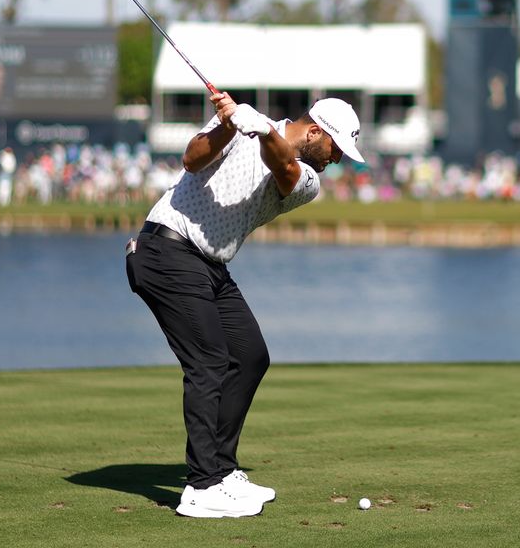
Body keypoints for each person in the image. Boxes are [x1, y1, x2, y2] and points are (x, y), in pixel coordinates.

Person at [124, 90, 364, 519]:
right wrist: (228, 127)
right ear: (314, 131)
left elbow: (284, 168)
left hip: (209, 266)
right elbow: (192, 159)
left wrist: (261, 128)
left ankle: (221, 469)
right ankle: (200, 487)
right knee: (209, 361)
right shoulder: (241, 128)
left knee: (251, 356)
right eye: (336, 148)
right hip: (167, 252)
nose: (338, 160)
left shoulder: (307, 178)